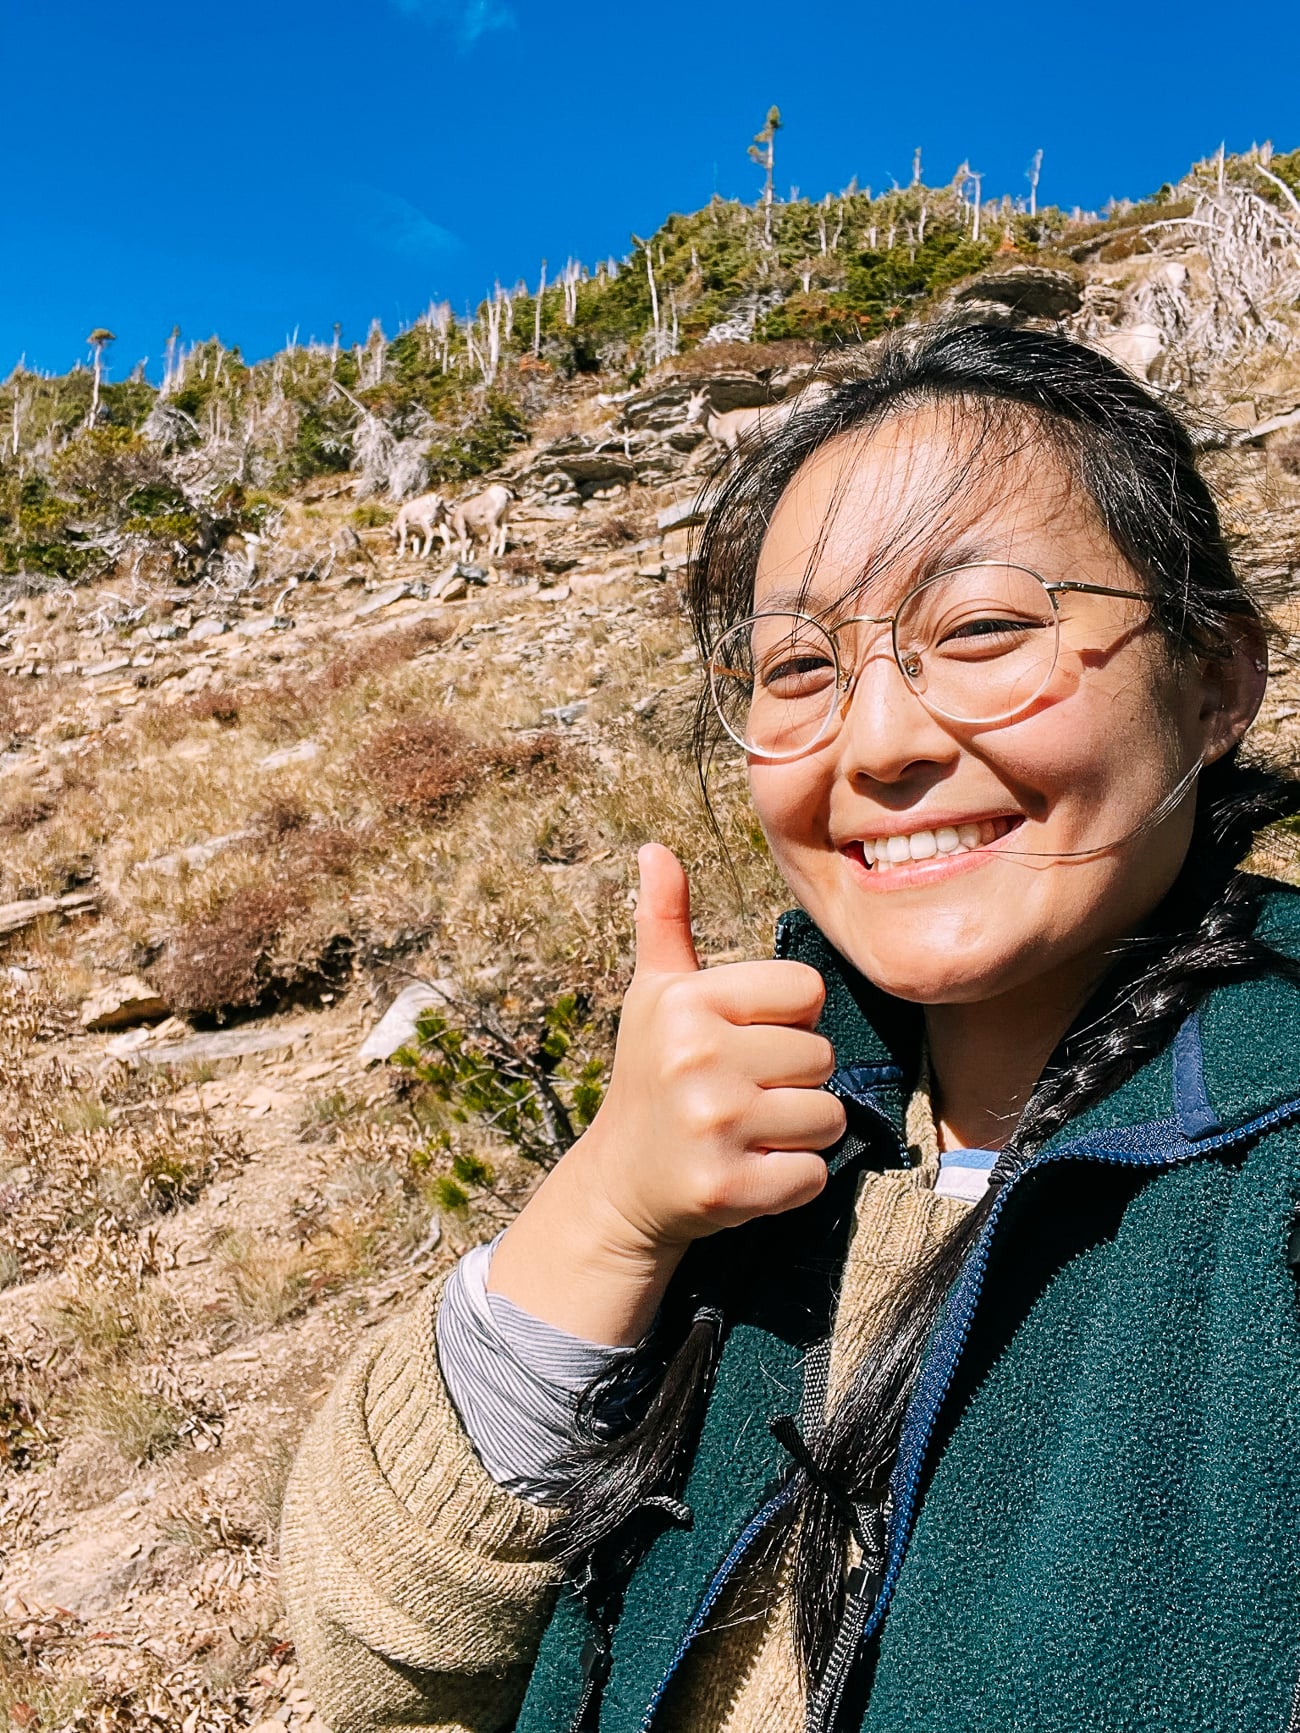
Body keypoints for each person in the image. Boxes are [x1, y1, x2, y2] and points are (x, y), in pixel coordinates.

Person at [280, 323, 1300, 1733]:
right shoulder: (754, 1135)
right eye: (802, 668)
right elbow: (376, 1667)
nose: (878, 742)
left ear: (1216, 681)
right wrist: (607, 1211)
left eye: (983, 630)